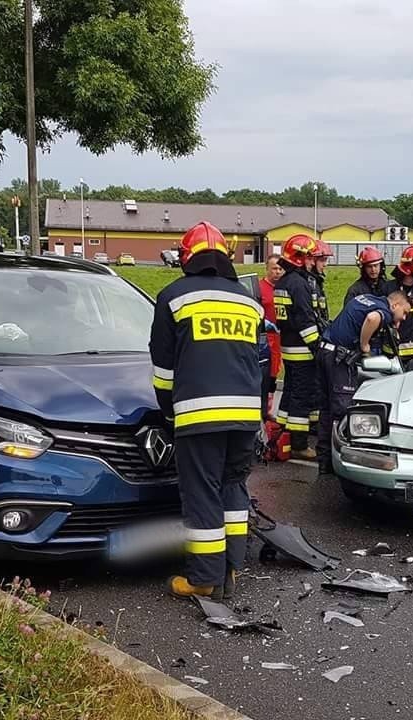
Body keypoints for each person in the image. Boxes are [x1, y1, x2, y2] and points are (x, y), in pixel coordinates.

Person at [150, 222, 263, 600]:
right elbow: (254, 360)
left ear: (187, 257)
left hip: (199, 415)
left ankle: (203, 579)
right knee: (233, 489)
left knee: (201, 493)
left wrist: (169, 414)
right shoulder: (248, 301)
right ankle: (231, 569)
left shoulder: (173, 297)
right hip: (246, 413)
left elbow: (164, 372)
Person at [315, 291, 411, 477]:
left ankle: (324, 462)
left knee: (326, 409)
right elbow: (371, 318)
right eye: (404, 312)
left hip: (325, 351)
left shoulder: (368, 298)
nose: (404, 317)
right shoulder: (383, 310)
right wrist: (364, 345)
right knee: (341, 410)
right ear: (395, 305)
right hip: (338, 358)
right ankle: (340, 464)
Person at [273, 234, 323, 460]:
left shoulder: (282, 282)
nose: (313, 262)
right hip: (303, 350)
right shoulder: (299, 284)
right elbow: (305, 319)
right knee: (302, 395)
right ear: (301, 258)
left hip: (288, 347)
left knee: (291, 392)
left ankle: (283, 432)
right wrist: (318, 348)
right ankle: (300, 445)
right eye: (310, 257)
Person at [258, 254, 284, 418]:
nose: (278, 272)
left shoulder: (284, 288)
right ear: (267, 269)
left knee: (274, 374)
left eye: (280, 268)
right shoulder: (259, 288)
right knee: (265, 377)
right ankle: (262, 412)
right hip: (265, 340)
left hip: (280, 340)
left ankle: (268, 410)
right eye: (274, 268)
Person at [309, 240, 333, 325]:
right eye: (322, 260)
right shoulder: (308, 283)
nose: (325, 264)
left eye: (326, 260)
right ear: (312, 260)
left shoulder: (317, 281)